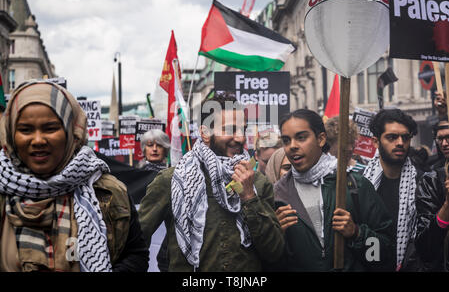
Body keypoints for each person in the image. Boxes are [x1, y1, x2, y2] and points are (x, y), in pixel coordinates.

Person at [0, 80, 149, 272]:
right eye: (26, 130)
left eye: (50, 128)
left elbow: (136, 255)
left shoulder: (107, 191)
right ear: (11, 134)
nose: (37, 140)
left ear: (72, 133)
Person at [138, 92, 284, 271]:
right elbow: (136, 242)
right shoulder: (171, 181)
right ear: (205, 133)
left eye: (243, 129)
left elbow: (274, 251)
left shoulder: (258, 183)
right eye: (230, 129)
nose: (240, 138)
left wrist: (249, 197)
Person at [274, 109, 393, 271]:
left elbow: (384, 252)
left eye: (301, 138)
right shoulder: (278, 195)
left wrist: (356, 234)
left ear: (321, 139)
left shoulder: (354, 185)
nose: (292, 146)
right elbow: (269, 261)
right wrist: (275, 237)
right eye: (286, 140)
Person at [363, 108, 423, 271]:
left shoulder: (423, 183)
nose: (400, 142)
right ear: (376, 142)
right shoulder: (361, 183)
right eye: (392, 137)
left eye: (405, 137)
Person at [415, 116, 449, 271]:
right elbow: (426, 246)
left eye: (448, 138)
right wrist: (447, 205)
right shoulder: (432, 180)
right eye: (440, 139)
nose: (444, 144)